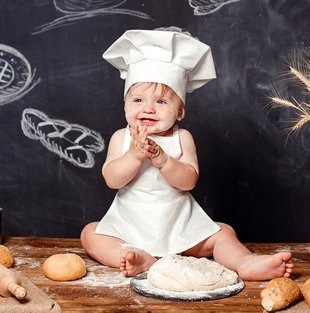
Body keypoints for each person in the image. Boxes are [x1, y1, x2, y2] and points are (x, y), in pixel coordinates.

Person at [80, 29, 293, 280]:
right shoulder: (121, 137)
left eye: (161, 102)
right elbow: (112, 179)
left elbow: (188, 180)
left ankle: (245, 262)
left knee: (223, 232)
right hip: (129, 227)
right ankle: (137, 258)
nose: (148, 108)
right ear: (125, 105)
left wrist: (163, 160)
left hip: (179, 227)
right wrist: (135, 155)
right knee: (90, 233)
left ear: (180, 111)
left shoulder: (181, 139)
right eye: (137, 100)